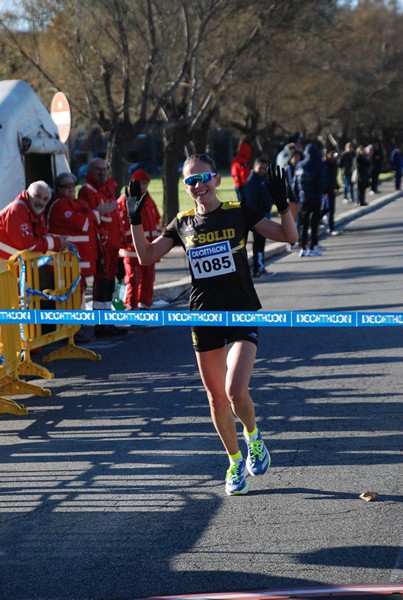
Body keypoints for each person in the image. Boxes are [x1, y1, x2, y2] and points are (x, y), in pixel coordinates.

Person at [126, 153, 298, 496]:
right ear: (186, 187)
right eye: (190, 181)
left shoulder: (237, 211)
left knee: (236, 390)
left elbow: (288, 236)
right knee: (217, 399)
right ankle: (234, 462)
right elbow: (145, 256)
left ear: (217, 179)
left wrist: (282, 203)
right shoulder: (182, 223)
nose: (198, 185)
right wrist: (133, 218)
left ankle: (254, 437)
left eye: (203, 178)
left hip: (241, 312)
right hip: (203, 317)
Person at [47, 172, 116, 304]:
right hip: (66, 262)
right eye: (66, 186)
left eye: (73, 185)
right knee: (71, 295)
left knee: (81, 292)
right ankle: (74, 322)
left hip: (77, 261)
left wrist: (96, 214)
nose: (71, 188)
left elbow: (93, 220)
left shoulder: (77, 203)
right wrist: (97, 212)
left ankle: (79, 323)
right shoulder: (60, 205)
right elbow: (81, 223)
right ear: (58, 188)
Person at [78, 157, 127, 337]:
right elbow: (90, 218)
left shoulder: (107, 189)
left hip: (112, 244)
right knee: (102, 284)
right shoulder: (87, 191)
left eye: (105, 169)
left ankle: (108, 321)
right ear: (90, 171)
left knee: (109, 284)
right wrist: (101, 212)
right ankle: (101, 324)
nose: (102, 172)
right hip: (102, 245)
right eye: (98, 169)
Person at [117, 168, 161, 309]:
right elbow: (122, 224)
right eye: (141, 183)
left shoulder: (148, 199)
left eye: (146, 183)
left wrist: (157, 241)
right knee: (133, 280)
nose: (144, 186)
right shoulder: (125, 200)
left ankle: (144, 305)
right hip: (132, 251)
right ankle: (131, 307)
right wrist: (133, 242)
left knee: (148, 279)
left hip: (149, 248)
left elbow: (156, 220)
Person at [0, 180, 69, 259]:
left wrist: (59, 241)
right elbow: (27, 245)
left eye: (45, 199)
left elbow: (42, 235)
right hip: (4, 265)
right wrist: (55, 242)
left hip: (9, 265)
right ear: (28, 194)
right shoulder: (18, 210)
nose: (41, 201)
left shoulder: (35, 211)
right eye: (37, 196)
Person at [243, 156, 274, 278]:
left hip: (263, 216)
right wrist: (257, 219)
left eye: (264, 168)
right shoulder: (252, 182)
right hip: (257, 219)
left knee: (260, 244)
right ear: (254, 167)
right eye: (260, 168)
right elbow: (251, 203)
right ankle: (258, 269)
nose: (262, 170)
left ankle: (260, 267)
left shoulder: (261, 180)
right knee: (258, 244)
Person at [293, 141, 326, 257]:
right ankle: (312, 246)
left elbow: (295, 184)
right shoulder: (318, 166)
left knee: (303, 223)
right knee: (314, 224)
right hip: (315, 198)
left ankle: (302, 247)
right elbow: (321, 183)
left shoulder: (299, 165)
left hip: (303, 198)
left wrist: (298, 197)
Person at [321, 148, 340, 236]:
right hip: (324, 191)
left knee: (332, 209)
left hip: (331, 189)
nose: (332, 156)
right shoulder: (323, 164)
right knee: (323, 209)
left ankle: (331, 227)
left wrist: (336, 185)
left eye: (333, 154)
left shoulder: (335, 164)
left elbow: (334, 176)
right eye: (331, 154)